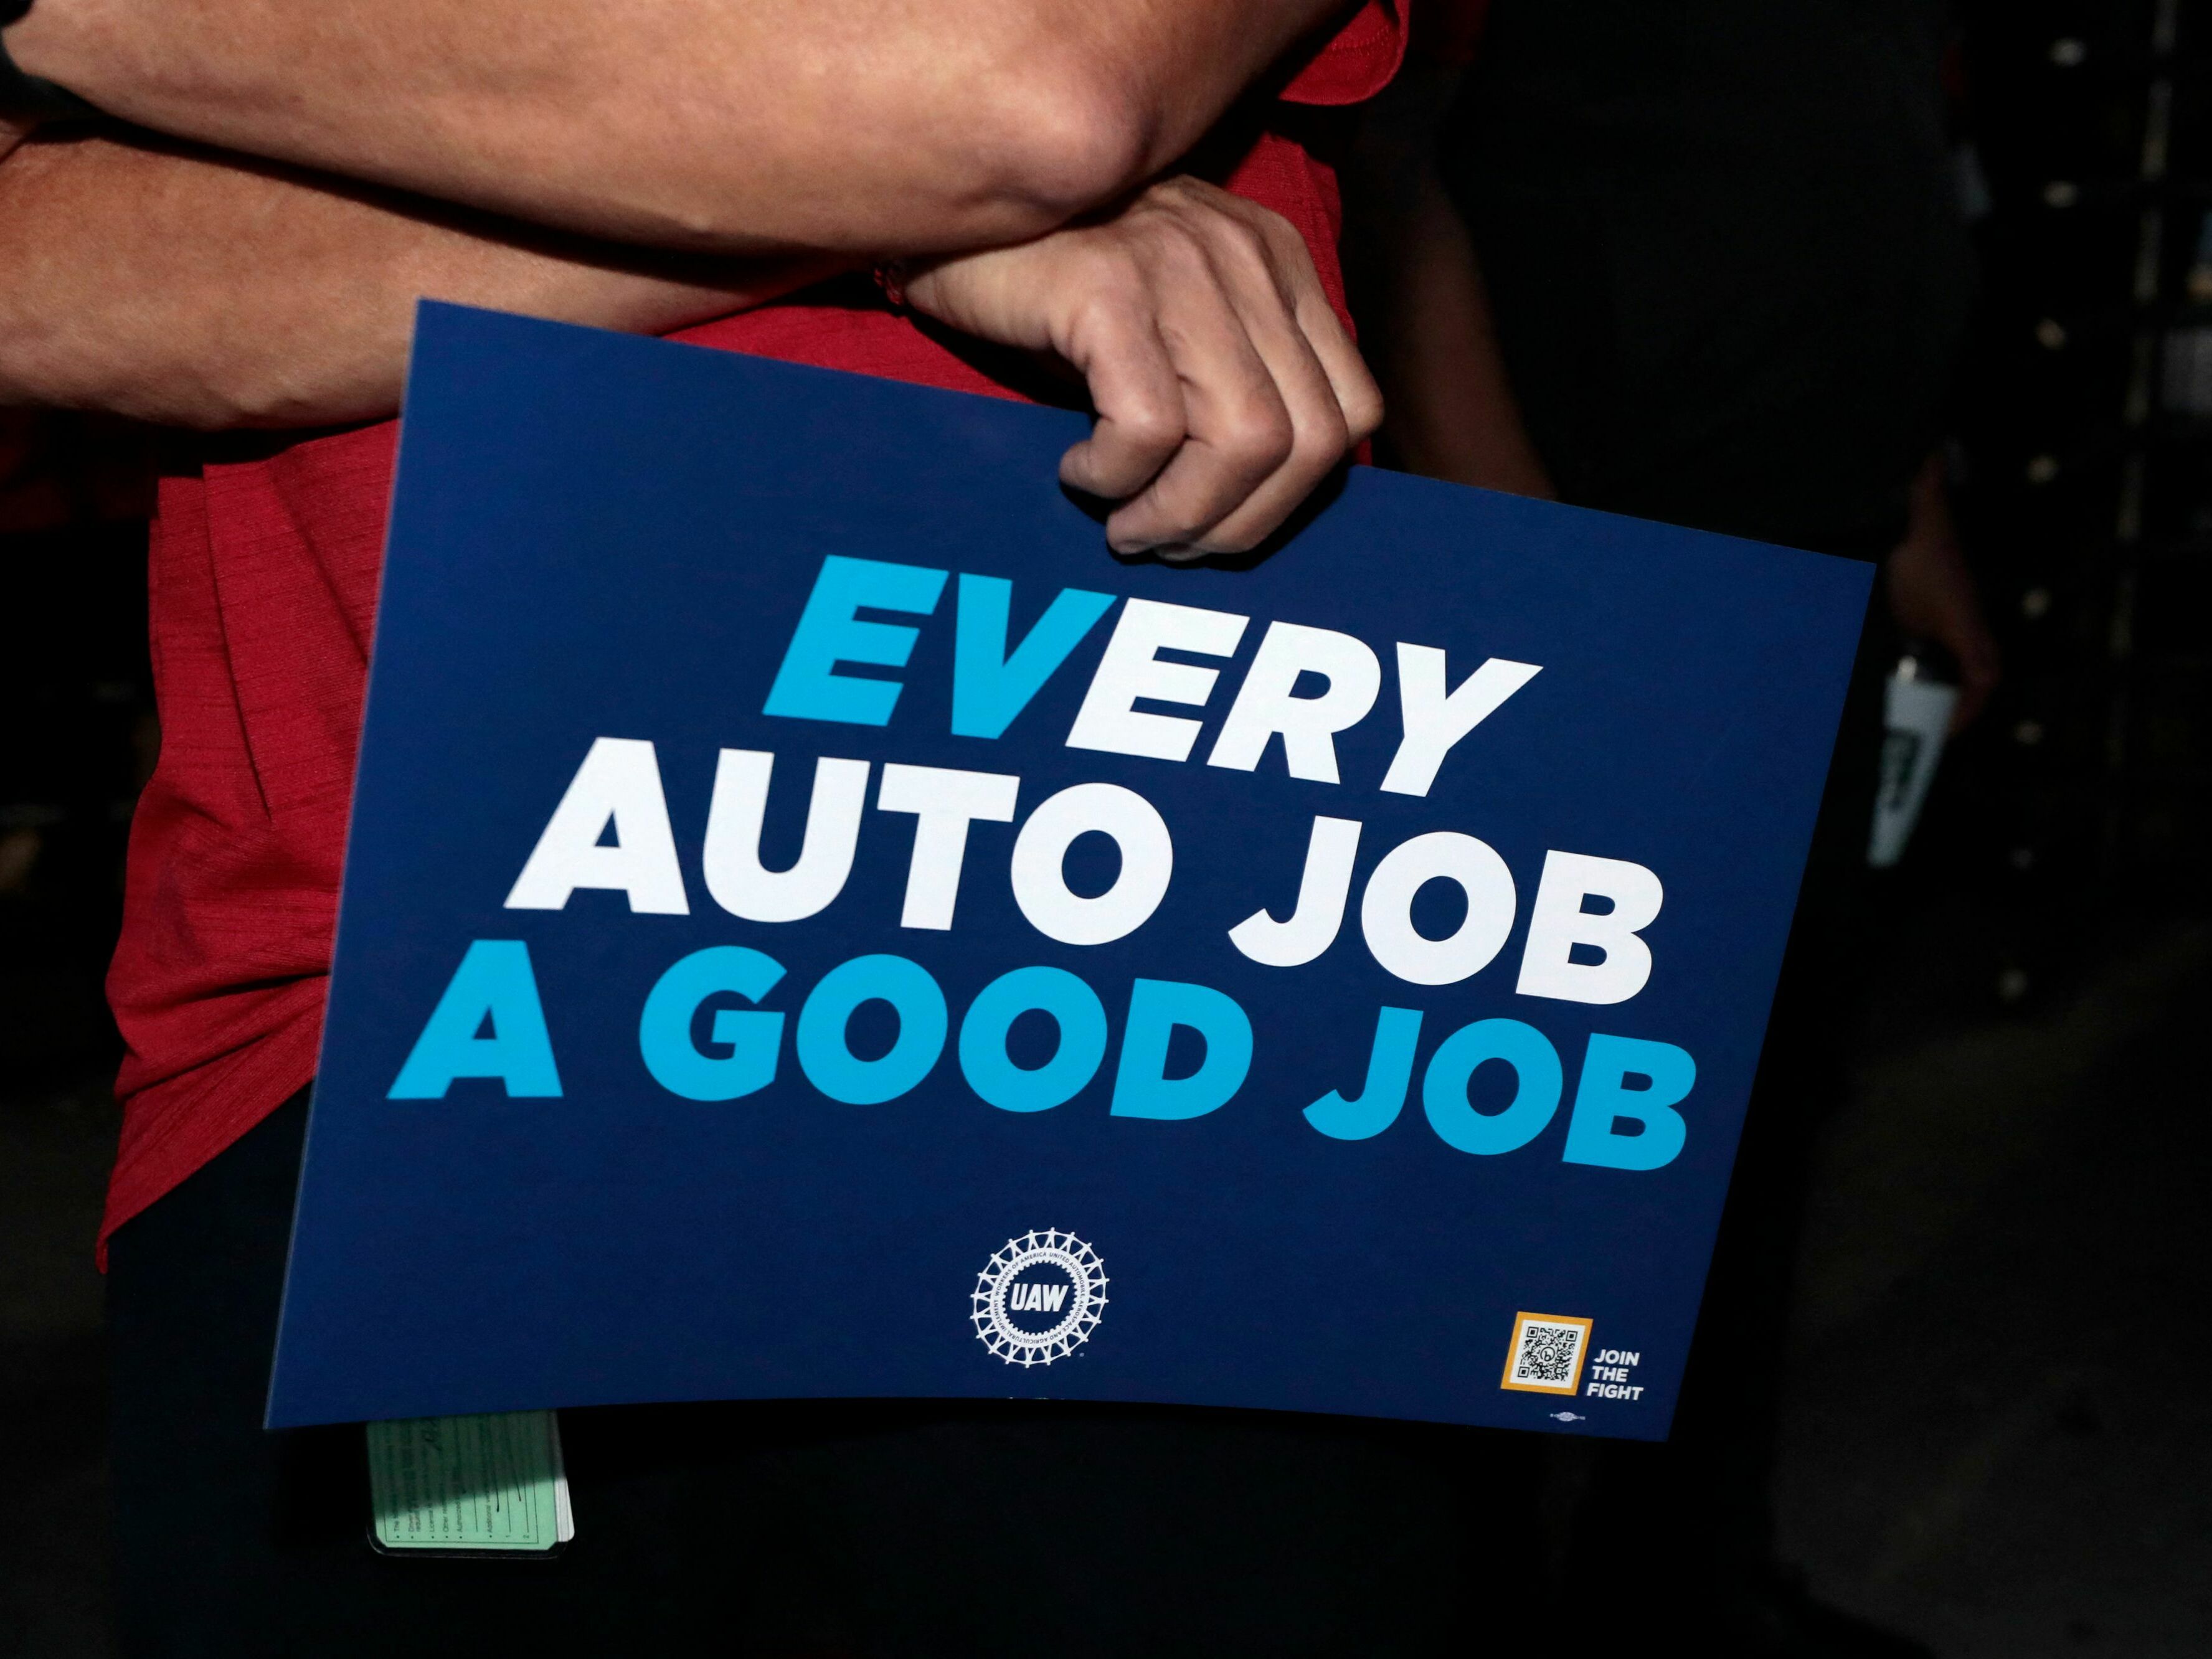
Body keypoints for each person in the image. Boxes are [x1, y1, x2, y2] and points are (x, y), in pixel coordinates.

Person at [0, 4, 1548, 1653]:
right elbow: (37, 280)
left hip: (1090, 997)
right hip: (357, 1025)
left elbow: (1024, 89)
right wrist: (897, 220)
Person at [1348, 2, 1997, 1654]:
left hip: (1810, 564)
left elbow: (1853, 186)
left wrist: (1909, 517)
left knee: (1758, 1119)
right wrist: (1538, 587)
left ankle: (1686, 1594)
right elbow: (1397, 154)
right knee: (1524, 1153)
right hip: (1613, 567)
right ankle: (1471, 1604)